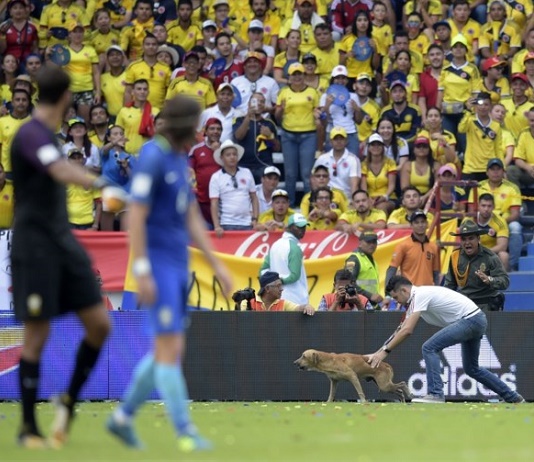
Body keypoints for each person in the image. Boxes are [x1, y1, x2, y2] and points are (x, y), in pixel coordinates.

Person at [11, 66, 111, 448]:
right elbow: (57, 169)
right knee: (38, 333)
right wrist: (99, 182)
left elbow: (60, 163)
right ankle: (28, 427)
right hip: (34, 247)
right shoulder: (30, 134)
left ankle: (68, 399)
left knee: (100, 325)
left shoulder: (48, 138)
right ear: (67, 97)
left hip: (63, 243)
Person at [366, 275, 524, 404]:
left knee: (429, 348)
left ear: (404, 290)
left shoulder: (419, 295)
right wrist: (378, 352)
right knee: (472, 368)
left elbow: (408, 330)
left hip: (471, 320)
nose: (396, 302)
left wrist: (384, 352)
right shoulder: (414, 299)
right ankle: (513, 397)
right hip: (476, 319)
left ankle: (436, 393)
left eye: (396, 297)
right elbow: (400, 329)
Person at [468, 158, 522, 271]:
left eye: (499, 169)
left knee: (515, 227)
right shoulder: (478, 186)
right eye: (492, 169)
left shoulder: (512, 188)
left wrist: (498, 223)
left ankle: (513, 265)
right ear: (487, 172)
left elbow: (515, 214)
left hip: (505, 221)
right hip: (481, 220)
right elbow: (471, 210)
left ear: (503, 172)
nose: (495, 172)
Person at [445, 220, 509, 312]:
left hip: (486, 305)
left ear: (478, 239)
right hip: (464, 306)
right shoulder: (455, 257)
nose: (467, 242)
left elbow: (505, 282)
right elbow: (449, 285)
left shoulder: (490, 257)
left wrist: (489, 280)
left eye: (471, 238)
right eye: (464, 239)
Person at [209, 139, 259, 237]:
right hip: (226, 223)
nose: (232, 157)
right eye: (228, 155)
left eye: (234, 154)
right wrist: (216, 226)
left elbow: (254, 197)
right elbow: (214, 203)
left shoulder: (247, 172)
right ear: (222, 158)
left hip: (247, 223)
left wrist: (255, 219)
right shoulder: (216, 177)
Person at [260, 213, 309, 306]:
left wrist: (272, 284)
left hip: (276, 299)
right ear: (290, 227)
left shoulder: (275, 244)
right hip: (296, 299)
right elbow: (295, 276)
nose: (302, 230)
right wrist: (279, 281)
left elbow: (263, 271)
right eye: (299, 227)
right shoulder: (295, 248)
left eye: (304, 227)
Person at [386, 210, 440, 287]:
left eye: (423, 222)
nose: (420, 225)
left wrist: (437, 290)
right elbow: (392, 269)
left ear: (427, 224)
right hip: (409, 291)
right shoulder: (403, 245)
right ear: (411, 225)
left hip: (428, 291)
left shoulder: (433, 247)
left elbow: (435, 272)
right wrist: (388, 292)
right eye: (416, 223)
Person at [314, 127, 361, 199]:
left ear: (346, 141)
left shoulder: (353, 159)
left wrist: (353, 202)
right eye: (335, 139)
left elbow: (354, 185)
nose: (339, 141)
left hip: (346, 199)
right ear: (330, 142)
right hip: (326, 198)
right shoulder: (322, 159)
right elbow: (313, 177)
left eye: (341, 139)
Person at [466, 193, 510, 270]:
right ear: (478, 206)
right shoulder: (468, 220)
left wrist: (482, 252)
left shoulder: (500, 222)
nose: (486, 209)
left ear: (494, 207)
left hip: (492, 253)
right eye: (483, 206)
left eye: (489, 206)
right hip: (472, 252)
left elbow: (502, 246)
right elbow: (461, 242)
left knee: (504, 255)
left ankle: (502, 281)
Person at [65, 148, 102, 230]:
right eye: (73, 158)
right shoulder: (64, 178)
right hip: (68, 222)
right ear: (68, 161)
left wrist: (95, 226)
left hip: (87, 222)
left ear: (83, 160)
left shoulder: (91, 179)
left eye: (79, 158)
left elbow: (99, 203)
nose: (76, 161)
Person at [344, 231, 384, 307]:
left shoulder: (371, 260)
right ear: (360, 243)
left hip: (369, 305)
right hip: (357, 305)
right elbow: (347, 283)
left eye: (374, 242)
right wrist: (370, 295)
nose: (372, 245)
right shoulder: (353, 259)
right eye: (368, 242)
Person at [249, 271, 315, 313]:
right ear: (267, 288)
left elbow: (298, 308)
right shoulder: (249, 303)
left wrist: (306, 306)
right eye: (278, 286)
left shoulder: (283, 304)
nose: (281, 289)